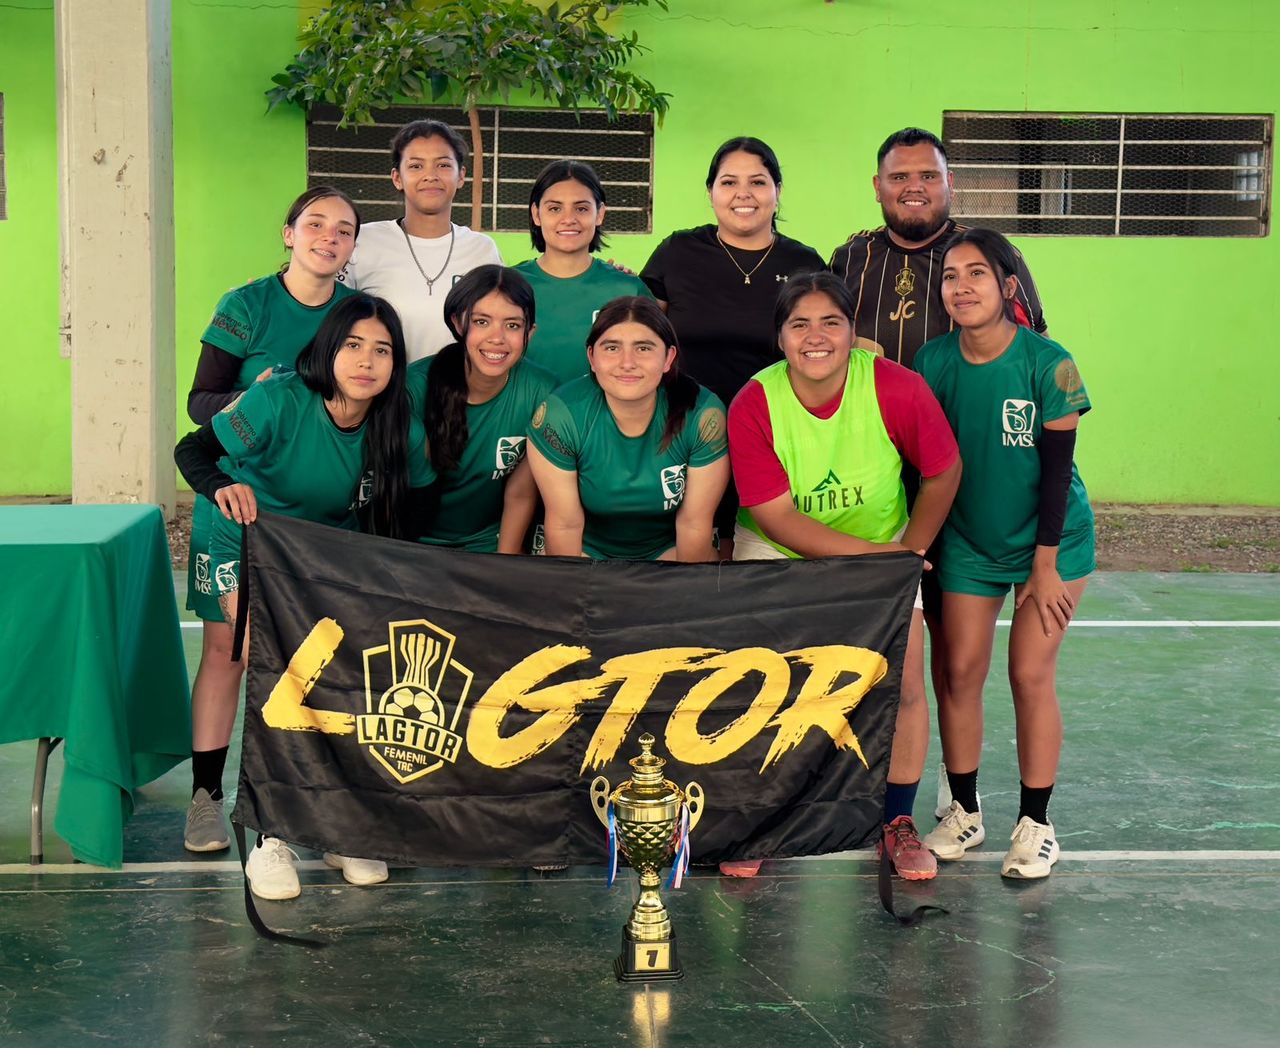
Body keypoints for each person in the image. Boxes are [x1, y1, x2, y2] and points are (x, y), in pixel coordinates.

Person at [175, 293, 436, 900]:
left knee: (338, 675)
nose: (366, 361)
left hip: (321, 552)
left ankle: (337, 823)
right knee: (265, 666)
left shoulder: (397, 421)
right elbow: (194, 449)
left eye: (382, 350)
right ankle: (265, 830)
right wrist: (222, 487)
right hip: (244, 538)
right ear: (327, 349)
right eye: (353, 345)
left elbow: (419, 503)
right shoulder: (278, 399)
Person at [830, 127, 1049, 818]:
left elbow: (1032, 359)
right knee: (884, 656)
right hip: (874, 483)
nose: (914, 187)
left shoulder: (987, 255)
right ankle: (876, 803)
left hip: (966, 482)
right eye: (900, 176)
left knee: (957, 660)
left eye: (928, 174)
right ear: (878, 186)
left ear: (950, 183)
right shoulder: (850, 257)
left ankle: (962, 800)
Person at [728, 271, 961, 880]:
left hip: (881, 545)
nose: (816, 337)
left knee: (903, 683)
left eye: (831, 322)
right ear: (780, 336)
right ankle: (761, 821)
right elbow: (776, 517)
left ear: (853, 331)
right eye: (799, 324)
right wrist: (874, 559)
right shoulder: (755, 400)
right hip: (780, 548)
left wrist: (909, 550)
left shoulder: (893, 386)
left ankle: (896, 820)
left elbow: (943, 471)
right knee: (768, 679)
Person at [180, 185, 359, 856]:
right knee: (229, 653)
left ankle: (319, 805)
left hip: (319, 521)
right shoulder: (246, 305)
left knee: (318, 658)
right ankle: (206, 797)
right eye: (315, 223)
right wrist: (252, 398)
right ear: (289, 233)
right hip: (241, 508)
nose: (328, 236)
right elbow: (200, 403)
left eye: (343, 229)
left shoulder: (357, 314)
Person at [914, 228, 1094, 879]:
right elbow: (923, 461)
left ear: (1007, 286)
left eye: (976, 274)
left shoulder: (1050, 363)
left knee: (1029, 675)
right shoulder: (931, 362)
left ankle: (1036, 825)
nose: (961, 287)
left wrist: (1044, 566)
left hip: (1054, 540)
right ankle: (963, 812)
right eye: (950, 276)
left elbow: (1057, 474)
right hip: (970, 540)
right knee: (959, 673)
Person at [641, 137, 824, 559]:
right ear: (711, 192)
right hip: (681, 431)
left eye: (758, 182)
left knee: (751, 554)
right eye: (729, 182)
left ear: (777, 191)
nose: (744, 194)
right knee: (687, 554)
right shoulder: (678, 251)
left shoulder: (803, 263)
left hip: (772, 436)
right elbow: (643, 331)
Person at [526, 296, 728, 562]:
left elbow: (693, 525)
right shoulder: (561, 415)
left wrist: (678, 587)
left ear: (668, 358)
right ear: (592, 357)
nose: (627, 363)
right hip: (587, 551)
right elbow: (565, 525)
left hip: (670, 550)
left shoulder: (703, 414)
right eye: (612, 348)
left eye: (643, 348)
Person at [409, 265, 555, 552]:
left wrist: (502, 564)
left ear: (530, 332)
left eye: (512, 325)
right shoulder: (414, 387)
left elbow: (520, 493)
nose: (497, 338)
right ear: (458, 323)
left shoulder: (541, 391)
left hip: (487, 543)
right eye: (481, 321)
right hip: (410, 543)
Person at [339, 119, 501, 361]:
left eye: (443, 165)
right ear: (397, 178)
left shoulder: (482, 249)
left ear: (461, 176)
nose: (430, 176)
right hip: (381, 384)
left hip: (461, 384)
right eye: (416, 166)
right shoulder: (362, 241)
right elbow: (332, 321)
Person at [514, 160, 653, 387]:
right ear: (536, 214)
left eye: (581, 209)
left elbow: (651, 363)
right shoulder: (510, 286)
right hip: (525, 410)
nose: (569, 219)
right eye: (555, 208)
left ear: (600, 214)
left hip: (604, 410)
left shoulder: (627, 289)